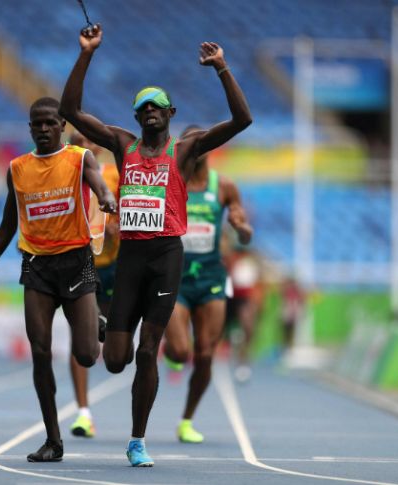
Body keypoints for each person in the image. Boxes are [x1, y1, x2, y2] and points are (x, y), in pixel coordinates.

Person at [59, 23, 251, 467]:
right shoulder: (122, 146)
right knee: (114, 361)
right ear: (135, 117)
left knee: (149, 352)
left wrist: (222, 68)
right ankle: (108, 329)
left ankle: (137, 440)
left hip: (167, 257)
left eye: (157, 107)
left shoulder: (186, 151)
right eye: (142, 108)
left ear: (170, 113)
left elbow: (243, 120)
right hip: (131, 259)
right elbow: (70, 109)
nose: (149, 113)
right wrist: (87, 53)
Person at [0, 97, 116, 463]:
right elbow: (6, 226)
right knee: (41, 352)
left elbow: (98, 185)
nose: (44, 129)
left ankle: (97, 321)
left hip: (77, 262)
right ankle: (53, 439)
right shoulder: (16, 169)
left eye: (50, 123)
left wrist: (108, 197)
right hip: (37, 267)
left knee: (86, 355)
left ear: (62, 126)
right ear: (30, 128)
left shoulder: (80, 159)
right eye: (37, 124)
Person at [162, 124, 253, 443]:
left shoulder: (224, 186)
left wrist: (241, 230)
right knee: (180, 350)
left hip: (212, 277)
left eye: (202, 143)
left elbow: (242, 224)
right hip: (177, 276)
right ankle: (170, 347)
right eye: (190, 143)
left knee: (204, 354)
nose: (196, 148)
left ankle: (186, 420)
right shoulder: (172, 183)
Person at [67, 130, 121, 439]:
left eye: (88, 142)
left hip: (113, 265)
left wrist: (117, 225)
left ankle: (104, 325)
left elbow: (128, 210)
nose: (83, 147)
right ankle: (83, 412)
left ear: (97, 146)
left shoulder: (114, 173)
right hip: (79, 266)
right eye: (77, 143)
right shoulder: (65, 175)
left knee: (115, 350)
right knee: (80, 340)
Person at [222, 238, 268, 382]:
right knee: (217, 328)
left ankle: (243, 360)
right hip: (228, 297)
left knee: (248, 328)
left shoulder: (252, 261)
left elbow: (260, 283)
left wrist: (259, 303)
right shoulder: (229, 258)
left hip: (245, 298)